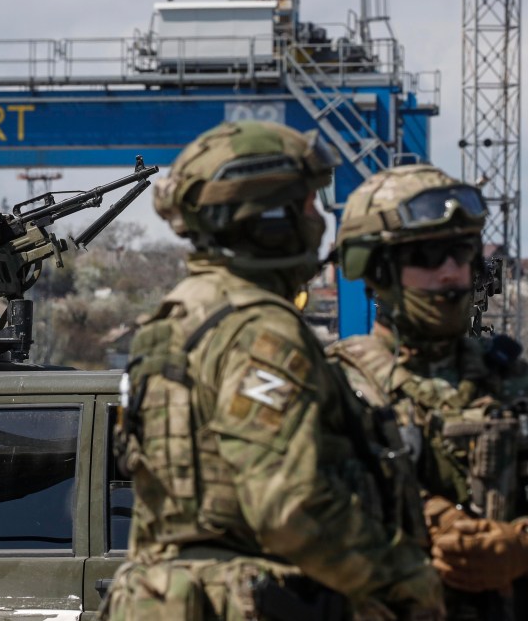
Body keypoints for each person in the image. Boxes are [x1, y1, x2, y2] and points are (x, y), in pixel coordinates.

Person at [102, 120, 442, 621]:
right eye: (306, 205)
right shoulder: (261, 329)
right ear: (269, 219)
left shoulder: (174, 317)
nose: (318, 220)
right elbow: (289, 509)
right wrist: (406, 578)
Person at [328, 163, 528, 618]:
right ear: (375, 266)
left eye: (462, 253)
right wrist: (430, 525)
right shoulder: (333, 383)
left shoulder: (510, 377)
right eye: (429, 256)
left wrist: (518, 547)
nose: (451, 274)